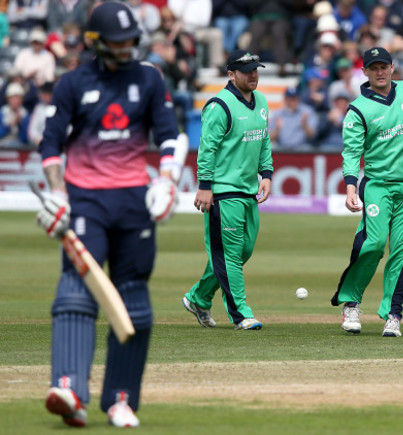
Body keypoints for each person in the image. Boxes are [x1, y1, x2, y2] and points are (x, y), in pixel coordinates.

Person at [37, 2, 182, 428]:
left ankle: (121, 400)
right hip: (85, 202)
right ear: (95, 42)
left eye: (129, 40)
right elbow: (50, 146)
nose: (126, 49)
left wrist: (168, 182)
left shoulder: (149, 78)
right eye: (116, 43)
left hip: (134, 201)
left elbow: (170, 136)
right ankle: (69, 389)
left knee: (134, 298)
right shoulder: (73, 83)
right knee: (76, 291)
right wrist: (57, 192)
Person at [331, 47, 403, 338]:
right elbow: (351, 153)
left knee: (401, 251)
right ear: (364, 72)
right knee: (374, 244)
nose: (380, 72)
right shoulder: (357, 110)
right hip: (378, 184)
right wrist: (351, 187)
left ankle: (394, 314)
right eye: (373, 67)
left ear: (393, 68)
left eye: (384, 66)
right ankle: (351, 303)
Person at [183, 49, 273, 331]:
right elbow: (206, 149)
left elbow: (264, 140)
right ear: (231, 75)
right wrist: (205, 186)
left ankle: (198, 297)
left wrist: (266, 173)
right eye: (247, 71)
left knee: (241, 252)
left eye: (256, 70)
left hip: (247, 190)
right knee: (231, 255)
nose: (254, 75)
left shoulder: (261, 101)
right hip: (223, 191)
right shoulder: (218, 106)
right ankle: (241, 314)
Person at [269, 86, 319, 151]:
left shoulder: (307, 111)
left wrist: (305, 125)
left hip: (302, 149)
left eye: (295, 98)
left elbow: (312, 135)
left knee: (309, 149)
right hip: (282, 149)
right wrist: (277, 129)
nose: (293, 101)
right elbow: (269, 138)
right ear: (285, 99)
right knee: (271, 150)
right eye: (291, 99)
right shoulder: (277, 114)